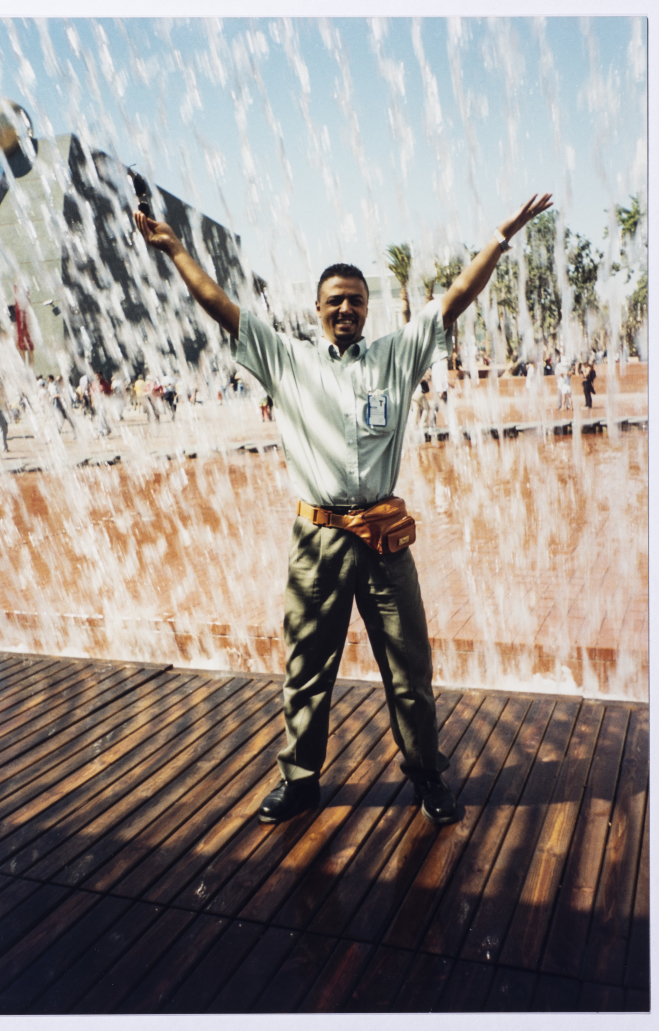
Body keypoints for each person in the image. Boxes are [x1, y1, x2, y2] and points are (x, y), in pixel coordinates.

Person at [134, 191, 552, 826]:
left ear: (366, 307)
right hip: (319, 542)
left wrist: (498, 237)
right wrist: (176, 250)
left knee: (410, 669)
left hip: (384, 537)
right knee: (305, 669)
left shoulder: (397, 355)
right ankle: (301, 781)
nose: (347, 309)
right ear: (320, 311)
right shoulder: (289, 360)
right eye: (336, 301)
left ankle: (426, 776)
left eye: (356, 300)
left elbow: (456, 298)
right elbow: (222, 307)